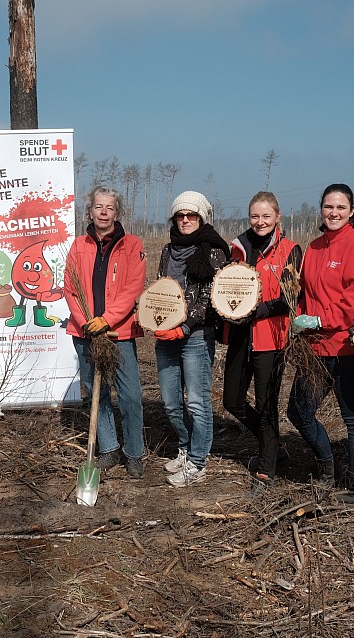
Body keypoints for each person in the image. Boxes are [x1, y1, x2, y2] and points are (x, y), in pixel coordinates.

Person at [286, 183, 354, 504]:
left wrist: (321, 320)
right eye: (329, 207)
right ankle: (326, 464)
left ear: (351, 212)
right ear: (321, 209)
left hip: (347, 348)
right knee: (299, 411)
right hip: (315, 349)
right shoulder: (313, 247)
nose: (334, 212)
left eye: (341, 207)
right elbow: (304, 293)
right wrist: (299, 318)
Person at [63, 186, 147, 478]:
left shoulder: (132, 244)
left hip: (119, 333)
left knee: (130, 394)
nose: (103, 212)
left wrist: (107, 320)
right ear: (90, 211)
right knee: (96, 394)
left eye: (109, 207)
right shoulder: (78, 246)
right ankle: (109, 448)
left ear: (117, 212)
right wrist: (87, 321)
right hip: (85, 332)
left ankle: (134, 452)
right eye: (98, 206)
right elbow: (70, 288)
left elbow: (133, 287)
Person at [222, 191, 301, 497]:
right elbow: (229, 287)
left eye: (266, 216)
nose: (260, 222)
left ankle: (266, 470)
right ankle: (273, 443)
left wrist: (260, 310)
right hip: (241, 335)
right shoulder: (238, 248)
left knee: (267, 407)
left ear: (278, 217)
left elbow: (290, 298)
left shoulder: (290, 250)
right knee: (233, 401)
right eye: (255, 216)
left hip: (271, 337)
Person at [154, 191, 230, 488]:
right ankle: (185, 447)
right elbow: (163, 290)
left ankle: (198, 463)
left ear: (202, 218)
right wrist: (154, 318)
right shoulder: (167, 251)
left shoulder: (213, 251)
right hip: (167, 336)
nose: (185, 220)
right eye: (180, 215)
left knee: (197, 402)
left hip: (196, 336)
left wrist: (184, 328)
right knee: (171, 402)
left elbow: (211, 298)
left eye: (192, 215)